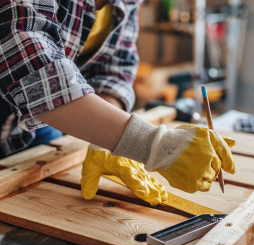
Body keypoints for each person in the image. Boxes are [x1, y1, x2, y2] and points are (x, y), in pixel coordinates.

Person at [0, 0, 236, 205]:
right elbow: (32, 71)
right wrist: (155, 145)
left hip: (38, 125)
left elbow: (115, 70)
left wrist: (105, 140)